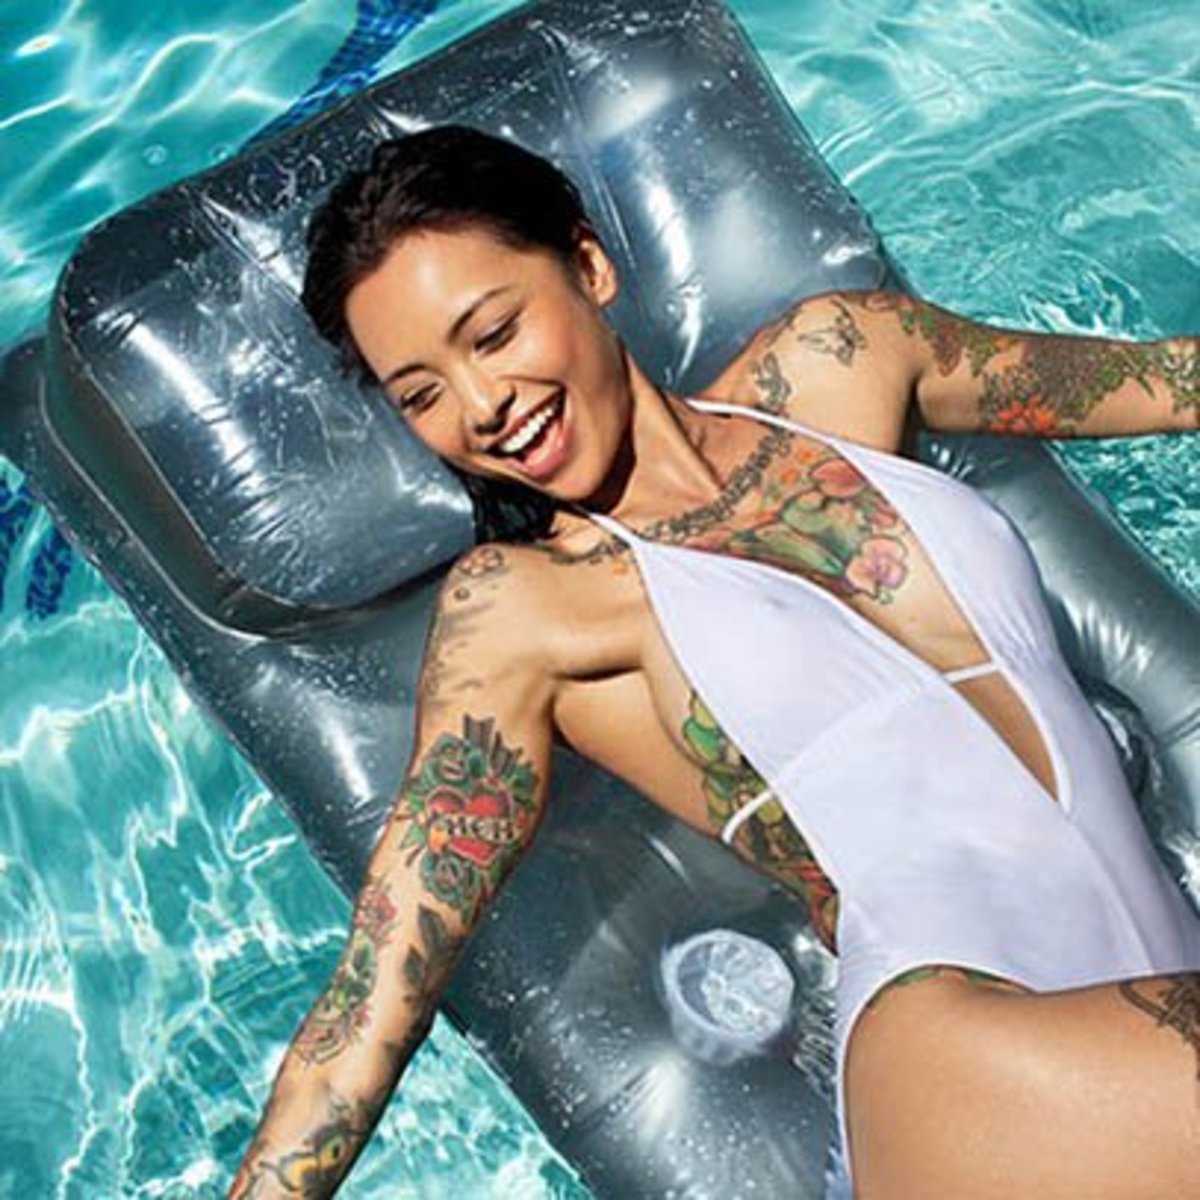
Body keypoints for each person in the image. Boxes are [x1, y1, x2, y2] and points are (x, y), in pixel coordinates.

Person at [230, 125, 1200, 1198]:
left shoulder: (841, 360)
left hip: (1152, 1012)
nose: (481, 405)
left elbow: (1169, 381)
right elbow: (379, 990)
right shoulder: (525, 612)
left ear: (589, 265)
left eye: (494, 333)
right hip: (958, 1061)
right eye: (421, 394)